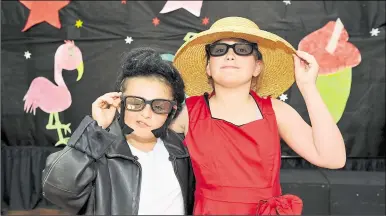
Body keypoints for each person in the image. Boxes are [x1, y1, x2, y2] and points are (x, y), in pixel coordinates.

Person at [170, 17, 347, 215]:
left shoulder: (277, 111)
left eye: (242, 50)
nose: (230, 56)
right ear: (208, 68)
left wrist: (308, 87)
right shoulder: (187, 112)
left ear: (257, 67)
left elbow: (334, 159)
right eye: (219, 50)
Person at [42, 48, 195, 215]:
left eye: (159, 106)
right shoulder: (98, 152)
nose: (146, 113)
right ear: (120, 103)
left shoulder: (182, 151)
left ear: (171, 110)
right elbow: (57, 190)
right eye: (136, 103)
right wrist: (95, 130)